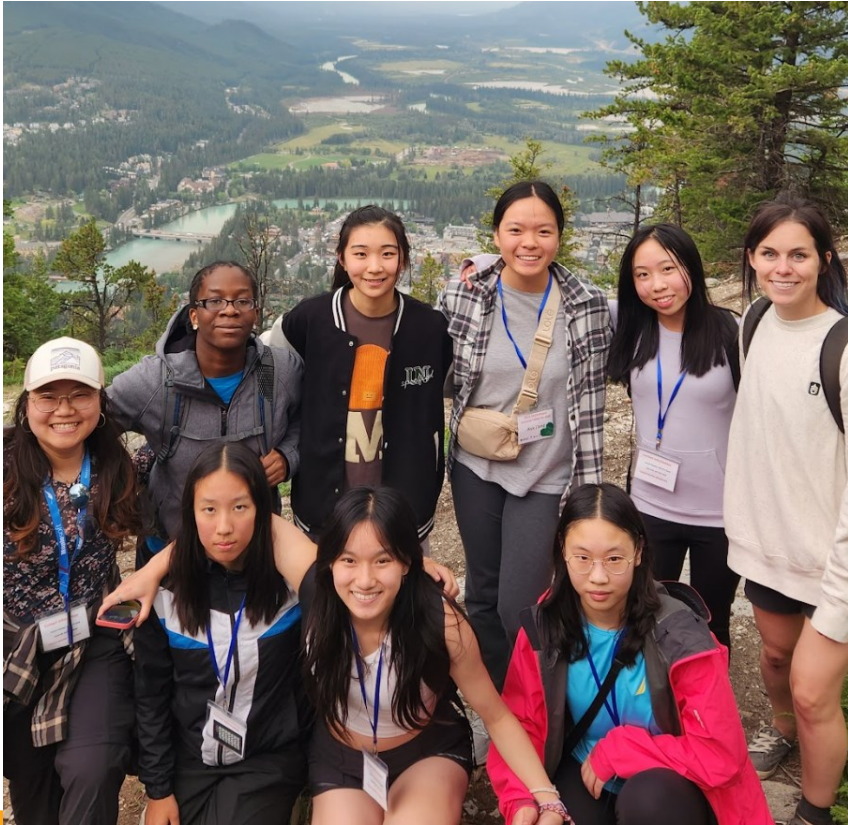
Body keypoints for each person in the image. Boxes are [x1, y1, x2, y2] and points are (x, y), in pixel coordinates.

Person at [488, 482, 772, 825]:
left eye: (614, 559)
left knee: (651, 802)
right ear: (562, 551)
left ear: (638, 552)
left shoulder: (681, 637)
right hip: (584, 773)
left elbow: (722, 754)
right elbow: (522, 724)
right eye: (582, 558)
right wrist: (522, 801)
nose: (598, 577)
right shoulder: (544, 627)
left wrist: (623, 748)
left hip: (668, 789)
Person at [305, 486, 572, 825]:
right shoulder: (314, 593)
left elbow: (496, 716)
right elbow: (254, 524)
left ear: (406, 563)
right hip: (342, 759)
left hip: (425, 755)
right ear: (329, 561)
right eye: (348, 560)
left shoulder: (441, 621)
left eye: (383, 560)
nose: (365, 579)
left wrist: (547, 797)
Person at [439, 180, 611, 690]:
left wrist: (592, 492)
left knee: (522, 602)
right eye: (515, 229)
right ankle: (495, 702)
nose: (528, 242)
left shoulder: (587, 304)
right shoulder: (466, 294)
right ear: (496, 234)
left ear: (560, 236)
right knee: (483, 593)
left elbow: (599, 395)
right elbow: (442, 375)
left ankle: (539, 702)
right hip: (477, 465)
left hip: (548, 470)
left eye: (543, 230)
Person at [724, 195, 848, 825]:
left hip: (834, 564)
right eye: (769, 254)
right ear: (751, 259)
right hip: (769, 545)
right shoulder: (754, 320)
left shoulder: (842, 346)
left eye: (799, 254)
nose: (783, 268)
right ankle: (783, 734)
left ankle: (815, 811)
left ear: (824, 260)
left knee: (811, 690)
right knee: (775, 658)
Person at [132, 442, 315, 825]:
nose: (224, 527)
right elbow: (152, 694)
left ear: (263, 511)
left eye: (240, 507)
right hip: (190, 758)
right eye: (209, 509)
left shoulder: (290, 585)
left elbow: (355, 581)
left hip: (266, 759)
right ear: (191, 512)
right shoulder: (163, 591)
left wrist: (413, 567)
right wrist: (159, 790)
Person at [3, 337, 141, 824]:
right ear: (27, 405)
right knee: (30, 784)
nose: (64, 410)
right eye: (48, 396)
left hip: (94, 636)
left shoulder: (120, 469)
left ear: (100, 403)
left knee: (94, 767)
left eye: (79, 394)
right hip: (16, 647)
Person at [269, 206, 453, 546]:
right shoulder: (310, 321)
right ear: (341, 258)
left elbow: (464, 383)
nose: (374, 266)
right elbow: (267, 375)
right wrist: (277, 444)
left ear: (403, 259)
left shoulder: (429, 327)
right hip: (323, 504)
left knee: (400, 592)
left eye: (387, 254)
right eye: (360, 254)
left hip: (406, 505)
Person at [108, 260, 302, 563]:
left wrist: (289, 455)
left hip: (255, 547)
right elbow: (91, 423)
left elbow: (312, 418)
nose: (229, 310)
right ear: (194, 315)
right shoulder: (159, 380)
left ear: (255, 313)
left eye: (242, 300)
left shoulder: (275, 373)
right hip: (172, 549)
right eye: (215, 301)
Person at [606, 224, 741, 651]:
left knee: (712, 624)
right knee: (645, 618)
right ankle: (655, 711)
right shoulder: (629, 326)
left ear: (691, 268)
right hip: (649, 505)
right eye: (642, 275)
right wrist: (480, 262)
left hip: (719, 514)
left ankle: (706, 713)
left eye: (668, 268)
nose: (656, 285)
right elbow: (556, 292)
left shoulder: (733, 333)